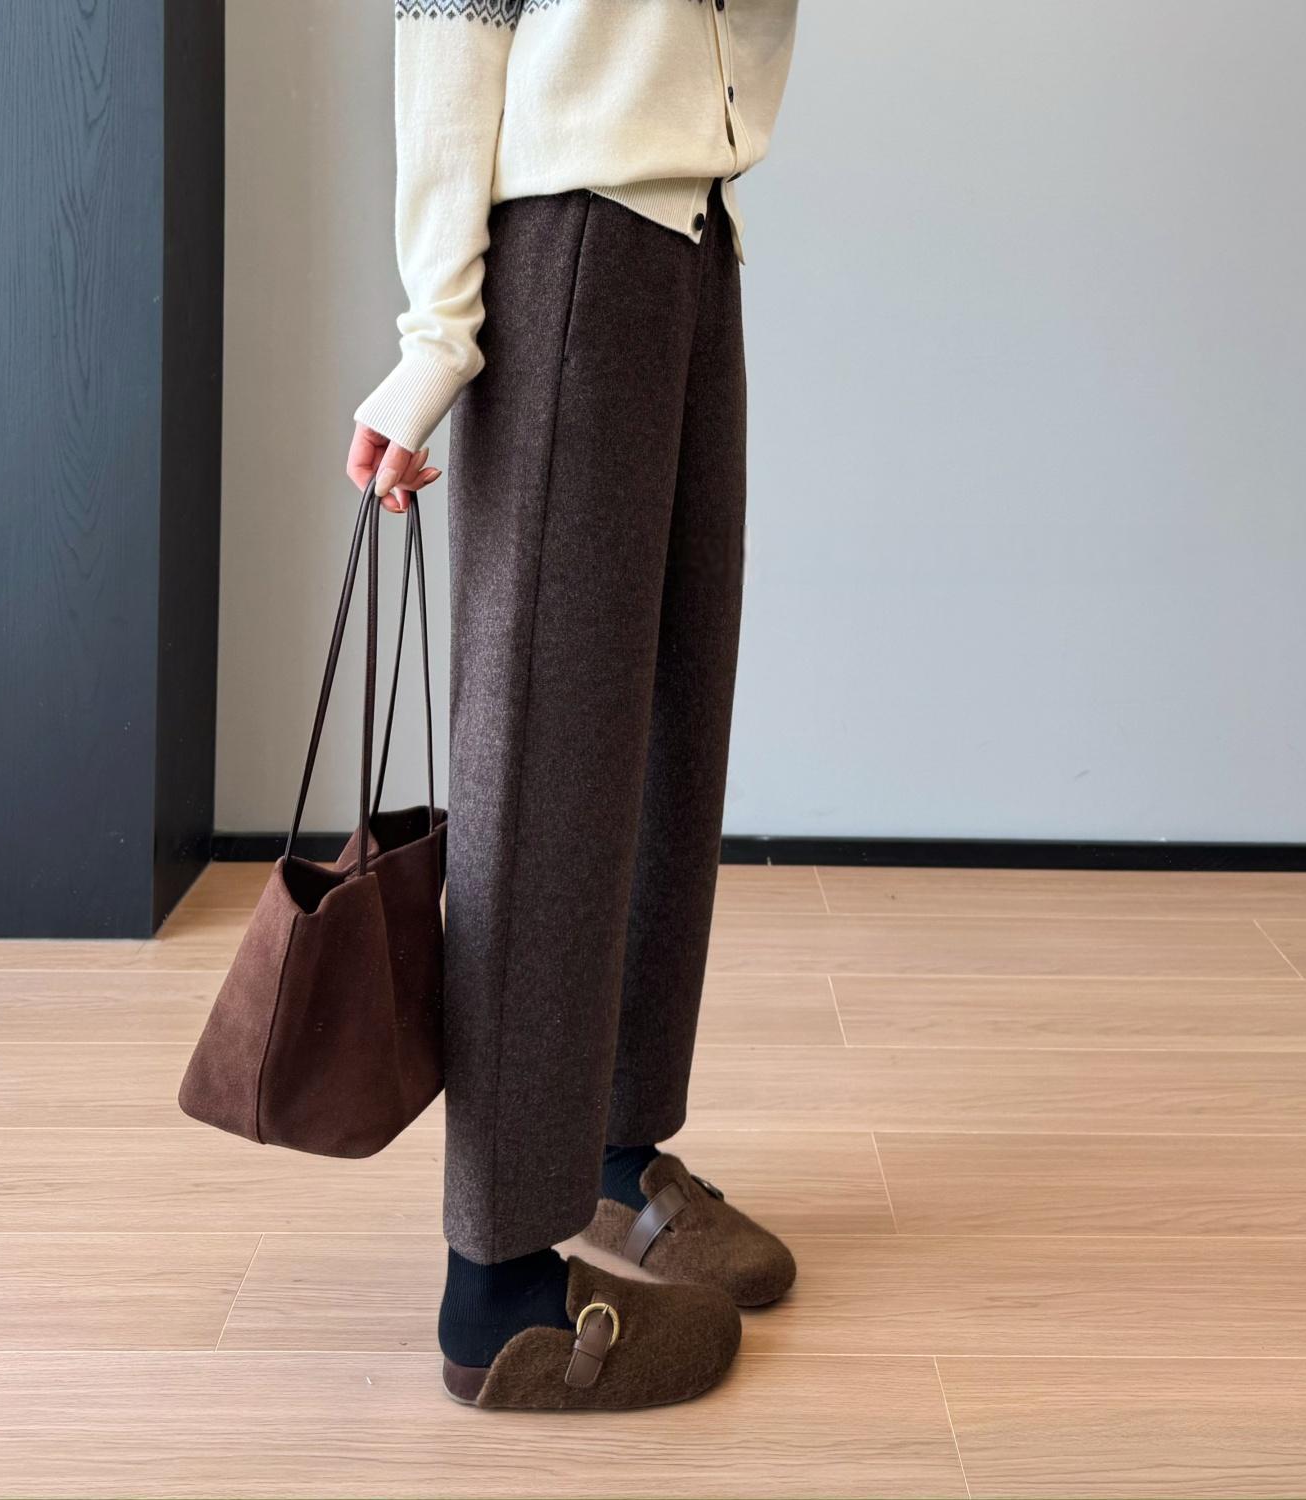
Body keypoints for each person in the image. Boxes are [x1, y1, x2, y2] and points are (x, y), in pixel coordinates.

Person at [349, 0, 799, 1412]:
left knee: (669, 721)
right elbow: (451, 18)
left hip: (691, 229)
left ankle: (608, 1150)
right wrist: (436, 336)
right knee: (547, 758)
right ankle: (498, 1291)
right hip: (568, 230)